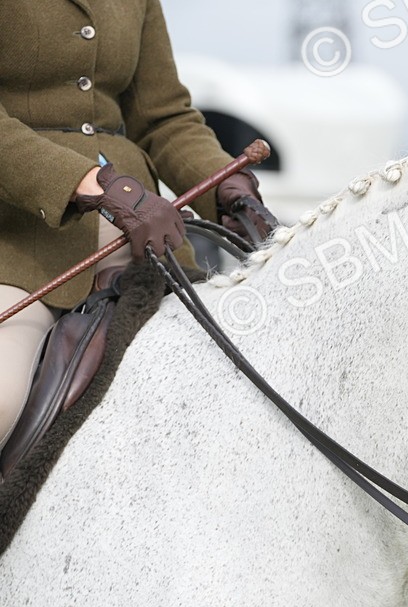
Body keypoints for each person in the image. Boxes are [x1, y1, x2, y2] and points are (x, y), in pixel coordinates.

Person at [0, 0, 272, 453]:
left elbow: (164, 117)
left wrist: (227, 186)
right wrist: (91, 184)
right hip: (18, 245)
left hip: (147, 240)